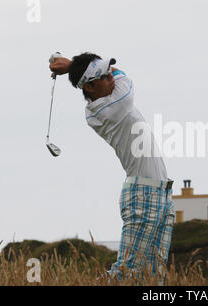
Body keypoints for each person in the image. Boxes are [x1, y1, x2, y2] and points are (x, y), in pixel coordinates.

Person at [49, 52, 175, 285]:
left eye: (108, 73)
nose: (112, 78)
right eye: (105, 76)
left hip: (161, 193)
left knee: (153, 277)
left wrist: (73, 66)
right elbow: (125, 76)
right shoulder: (109, 108)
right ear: (91, 86)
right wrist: (71, 66)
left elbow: (116, 74)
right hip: (144, 195)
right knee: (125, 272)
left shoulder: (107, 96)